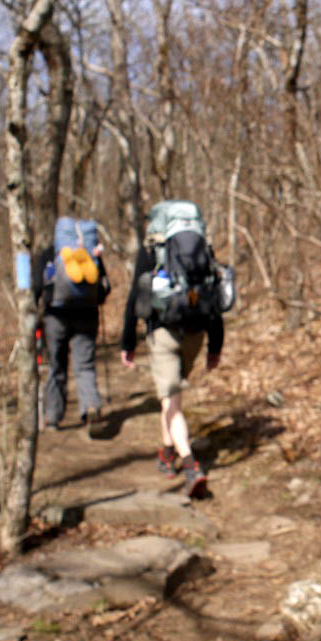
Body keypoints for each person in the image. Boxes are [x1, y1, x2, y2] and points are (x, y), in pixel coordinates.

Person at [119, 201, 223, 499]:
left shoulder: (151, 250)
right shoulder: (203, 248)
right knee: (172, 401)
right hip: (197, 332)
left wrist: (127, 343)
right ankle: (166, 454)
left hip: (162, 333)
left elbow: (133, 300)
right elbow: (213, 298)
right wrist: (215, 345)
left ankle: (190, 466)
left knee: (171, 403)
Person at [33, 220, 110, 437]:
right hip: (87, 315)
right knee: (84, 365)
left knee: (56, 366)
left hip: (55, 317)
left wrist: (36, 310)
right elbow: (103, 288)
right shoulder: (89, 253)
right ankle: (91, 407)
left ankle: (52, 417)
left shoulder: (50, 254)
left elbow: (36, 288)